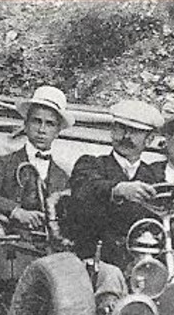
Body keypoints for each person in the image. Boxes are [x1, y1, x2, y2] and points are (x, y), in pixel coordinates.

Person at [65, 98, 165, 268]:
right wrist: (118, 190)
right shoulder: (90, 164)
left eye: (135, 132)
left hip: (142, 265)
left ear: (149, 139)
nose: (126, 137)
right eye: (121, 129)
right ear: (112, 131)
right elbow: (85, 190)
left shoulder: (155, 177)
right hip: (95, 262)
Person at [0, 85, 73, 238]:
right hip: (8, 251)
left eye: (50, 124)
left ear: (57, 132)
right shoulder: (4, 163)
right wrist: (15, 211)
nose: (42, 130)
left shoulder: (63, 178)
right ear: (26, 125)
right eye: (36, 121)